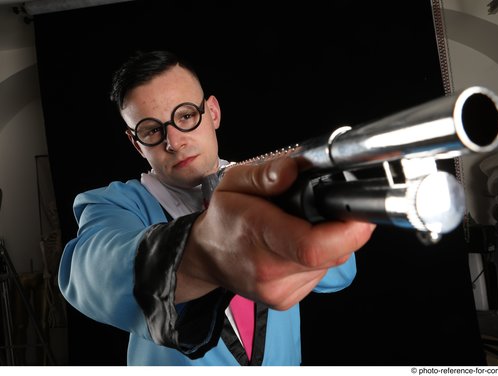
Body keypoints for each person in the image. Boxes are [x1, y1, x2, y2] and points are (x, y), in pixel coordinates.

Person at [58, 49, 376, 366]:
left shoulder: (270, 183)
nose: (174, 141)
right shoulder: (115, 204)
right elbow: (91, 272)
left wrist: (312, 215)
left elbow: (340, 274)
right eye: (152, 130)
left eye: (185, 116)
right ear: (136, 143)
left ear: (212, 112)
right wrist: (202, 253)